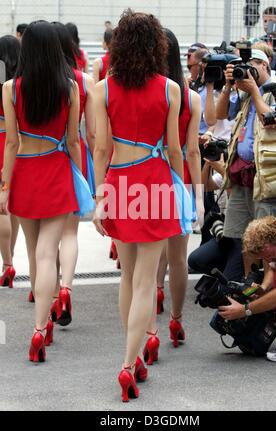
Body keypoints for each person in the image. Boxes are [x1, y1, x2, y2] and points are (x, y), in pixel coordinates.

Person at [93, 9, 191, 402]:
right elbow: (173, 149)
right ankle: (127, 362)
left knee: (127, 278)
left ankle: (133, 359)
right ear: (157, 46)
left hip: (119, 184)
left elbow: (101, 148)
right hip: (155, 184)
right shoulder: (171, 89)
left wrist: (100, 198)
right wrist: (183, 191)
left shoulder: (102, 89)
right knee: (146, 282)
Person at [0, 20, 82, 363]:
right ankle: (39, 327)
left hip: (25, 173)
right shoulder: (70, 87)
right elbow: (73, 140)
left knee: (35, 254)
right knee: (49, 253)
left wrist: (4, 185)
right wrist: (81, 177)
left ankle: (42, 320)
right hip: (57, 170)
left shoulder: (10, 88)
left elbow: (12, 142)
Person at [145, 28, 203, 360]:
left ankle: (150, 307)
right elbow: (191, 151)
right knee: (178, 257)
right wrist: (197, 195)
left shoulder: (142, 91)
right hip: (177, 181)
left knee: (149, 256)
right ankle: (176, 321)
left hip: (143, 180)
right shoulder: (189, 96)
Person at [216, 48, 276, 276]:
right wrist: (229, 86)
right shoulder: (243, 92)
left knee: (268, 241)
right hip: (242, 176)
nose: (248, 71)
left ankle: (268, 286)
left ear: (265, 65)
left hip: (267, 178)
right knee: (244, 238)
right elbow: (221, 115)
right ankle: (249, 283)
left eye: (253, 65)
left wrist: (255, 92)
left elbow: (273, 122)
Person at [46, 22, 95, 326]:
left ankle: (52, 294)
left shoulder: (34, 82)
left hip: (43, 160)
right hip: (76, 158)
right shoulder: (83, 82)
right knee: (69, 233)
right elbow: (90, 134)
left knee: (45, 237)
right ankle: (67, 287)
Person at [219, 216, 276, 362]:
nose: (268, 261)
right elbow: (273, 266)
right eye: (264, 258)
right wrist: (263, 289)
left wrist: (244, 310)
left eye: (268, 255)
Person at [0, 35, 20, 289]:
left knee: (1, 207)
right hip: (17, 145)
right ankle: (10, 258)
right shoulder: (20, 84)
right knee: (11, 205)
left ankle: (7, 263)